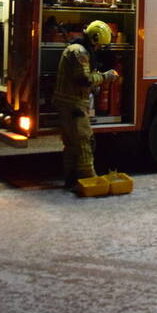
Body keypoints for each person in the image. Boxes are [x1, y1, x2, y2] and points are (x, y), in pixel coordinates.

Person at [53, 20, 119, 189]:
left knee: (72, 144)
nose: (99, 49)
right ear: (95, 39)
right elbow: (84, 79)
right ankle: (89, 180)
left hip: (68, 102)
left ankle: (71, 179)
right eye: (100, 45)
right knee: (85, 142)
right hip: (73, 104)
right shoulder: (80, 52)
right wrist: (106, 77)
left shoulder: (76, 49)